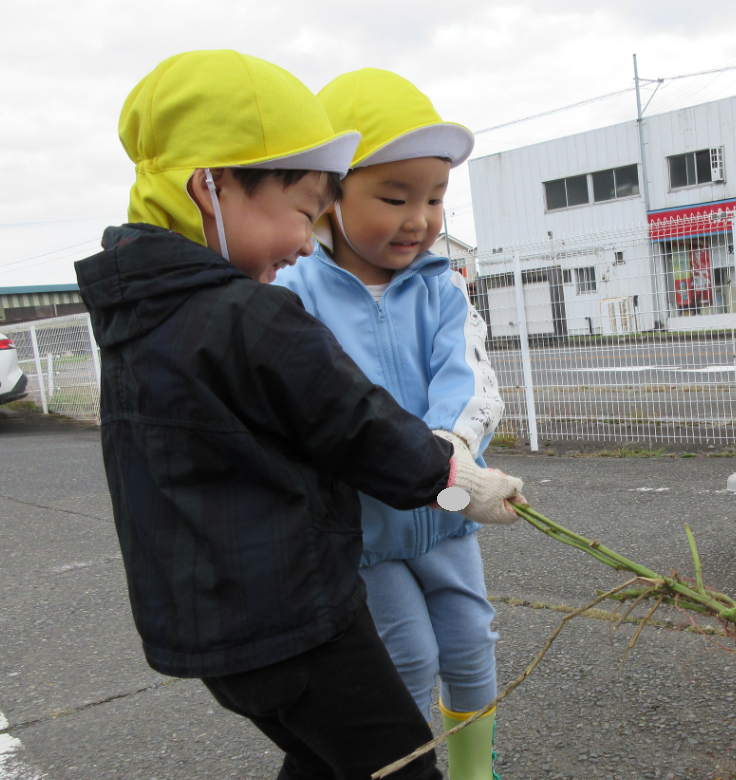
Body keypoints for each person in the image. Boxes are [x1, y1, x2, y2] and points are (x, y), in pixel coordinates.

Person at [74, 50, 524, 780]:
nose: (299, 241)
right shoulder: (252, 314)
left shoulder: (137, 316)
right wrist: (456, 480)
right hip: (294, 616)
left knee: (324, 758)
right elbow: (354, 424)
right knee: (399, 763)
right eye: (301, 211)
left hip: (212, 628)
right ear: (210, 188)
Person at [274, 68, 503, 780]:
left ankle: (472, 771)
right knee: (405, 658)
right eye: (394, 196)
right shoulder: (293, 290)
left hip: (447, 509)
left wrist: (452, 454)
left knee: (470, 641)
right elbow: (301, 405)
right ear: (329, 197)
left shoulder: (440, 285)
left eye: (434, 198)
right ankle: (405, 772)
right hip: (361, 532)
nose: (420, 218)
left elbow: (467, 380)